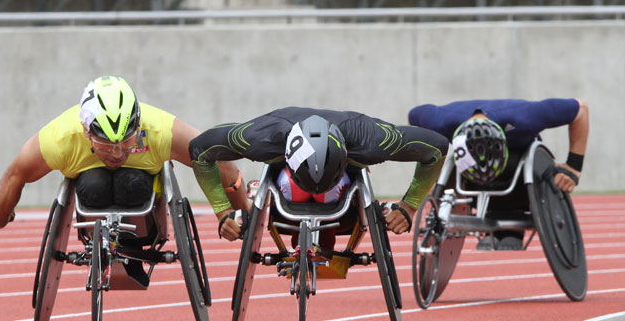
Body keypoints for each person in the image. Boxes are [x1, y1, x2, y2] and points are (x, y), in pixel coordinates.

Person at [0, 75, 249, 231]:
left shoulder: (158, 128)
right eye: (108, 145)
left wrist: (233, 212)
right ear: (86, 131)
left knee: (129, 184)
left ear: (138, 125)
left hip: (145, 193)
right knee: (95, 185)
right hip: (91, 191)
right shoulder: (62, 138)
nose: (118, 152)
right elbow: (16, 174)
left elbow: (213, 156)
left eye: (126, 141)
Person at [188, 107, 449, 246]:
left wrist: (408, 207)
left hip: (346, 172)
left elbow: (437, 148)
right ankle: (266, 200)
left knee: (331, 211)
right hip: (283, 163)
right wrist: (222, 212)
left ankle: (327, 233)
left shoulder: (372, 140)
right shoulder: (260, 137)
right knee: (294, 197)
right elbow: (199, 150)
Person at [408, 98, 589, 250]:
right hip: (469, 175)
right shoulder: (439, 120)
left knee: (517, 163)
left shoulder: (526, 116)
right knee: (453, 169)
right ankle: (491, 221)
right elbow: (413, 117)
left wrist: (573, 167)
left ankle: (511, 227)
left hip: (518, 165)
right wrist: (428, 173)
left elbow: (580, 109)